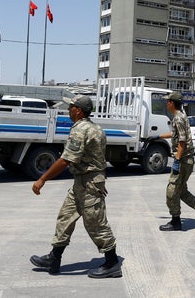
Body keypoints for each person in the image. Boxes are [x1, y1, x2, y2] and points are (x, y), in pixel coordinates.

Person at [30, 95, 122, 278]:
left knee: (95, 222)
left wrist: (43, 179)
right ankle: (54, 258)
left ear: (78, 110)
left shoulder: (81, 130)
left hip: (89, 183)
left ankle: (112, 263)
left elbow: (65, 160)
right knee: (66, 217)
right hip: (82, 181)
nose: (68, 109)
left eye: (71, 106)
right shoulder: (95, 128)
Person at [154, 91, 195, 231]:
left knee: (172, 192)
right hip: (186, 160)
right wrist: (158, 136)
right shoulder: (179, 116)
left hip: (183, 161)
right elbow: (175, 134)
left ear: (172, 103)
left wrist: (177, 161)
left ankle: (175, 221)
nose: (166, 103)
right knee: (181, 191)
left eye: (168, 101)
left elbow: (182, 141)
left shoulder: (178, 118)